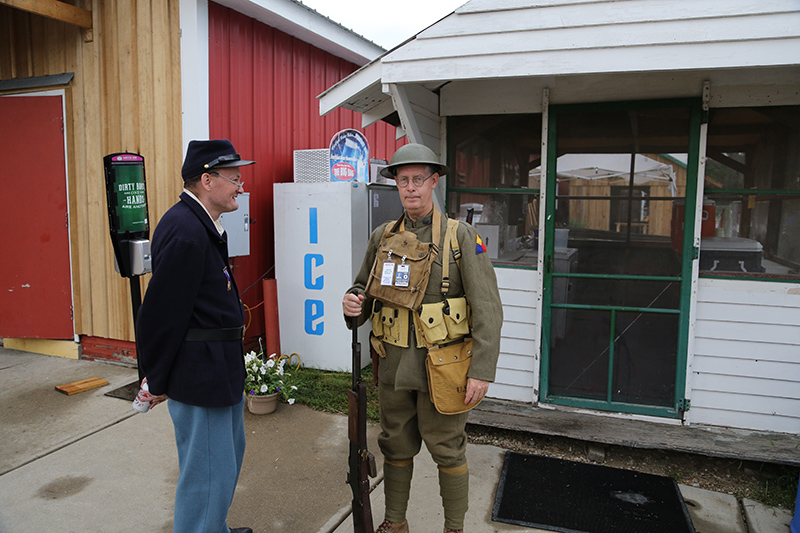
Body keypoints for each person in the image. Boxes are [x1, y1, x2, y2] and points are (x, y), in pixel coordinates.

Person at [342, 143, 503, 533]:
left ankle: (453, 528)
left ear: (434, 182)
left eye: (418, 179)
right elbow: (363, 289)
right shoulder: (383, 236)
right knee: (394, 444)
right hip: (394, 366)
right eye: (403, 180)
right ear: (395, 184)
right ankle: (395, 523)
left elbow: (488, 309)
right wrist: (353, 304)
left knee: (447, 448)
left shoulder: (463, 238)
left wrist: (481, 371)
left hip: (444, 368)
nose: (410, 188)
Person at [135, 139, 255, 533]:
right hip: (200, 375)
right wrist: (157, 378)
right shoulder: (186, 230)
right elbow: (160, 315)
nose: (240, 185)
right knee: (206, 475)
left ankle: (212, 527)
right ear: (207, 180)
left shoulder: (202, 222)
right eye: (234, 178)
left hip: (217, 371)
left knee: (224, 462)